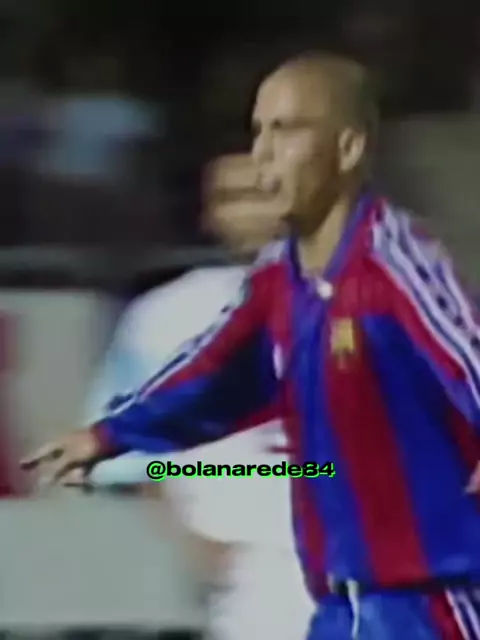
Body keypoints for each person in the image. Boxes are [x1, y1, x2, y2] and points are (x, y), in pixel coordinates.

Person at [22, 51, 480, 639]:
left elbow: (463, 361)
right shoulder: (217, 299)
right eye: (258, 136)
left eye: (284, 136)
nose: (263, 165)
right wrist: (117, 447)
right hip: (298, 584)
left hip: (419, 588)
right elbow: (200, 391)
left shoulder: (392, 266)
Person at [82, 156, 313, 639]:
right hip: (247, 566)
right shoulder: (164, 315)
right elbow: (128, 453)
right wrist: (189, 537)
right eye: (232, 198)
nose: (250, 211)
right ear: (210, 215)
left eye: (265, 193)